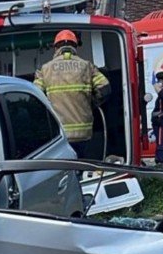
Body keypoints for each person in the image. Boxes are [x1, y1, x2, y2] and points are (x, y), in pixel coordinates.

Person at [35, 30, 110, 158]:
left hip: (59, 134)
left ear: (56, 47)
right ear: (75, 46)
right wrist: (93, 102)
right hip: (84, 133)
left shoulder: (45, 69)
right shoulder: (86, 66)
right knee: (84, 165)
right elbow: (105, 88)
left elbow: (36, 95)